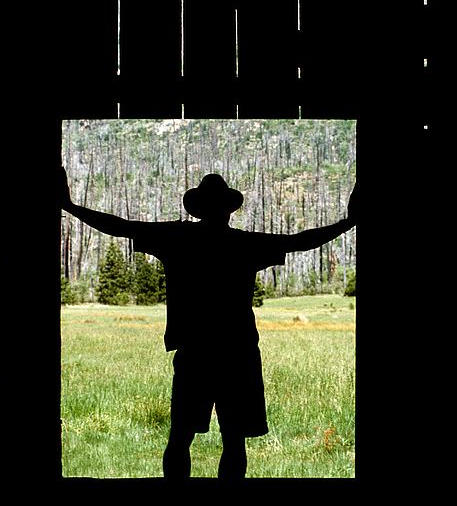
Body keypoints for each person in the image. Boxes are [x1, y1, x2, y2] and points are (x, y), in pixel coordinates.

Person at [59, 167, 356, 479]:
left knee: (181, 438)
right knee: (233, 440)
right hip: (237, 353)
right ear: (228, 209)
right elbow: (301, 241)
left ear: (198, 209)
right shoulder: (244, 244)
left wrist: (70, 207)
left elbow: (119, 227)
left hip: (194, 352)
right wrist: (347, 223)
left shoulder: (177, 239)